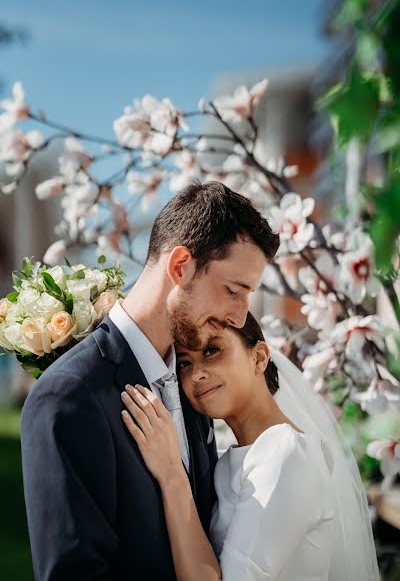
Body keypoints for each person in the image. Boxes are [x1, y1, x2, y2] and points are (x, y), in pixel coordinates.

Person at [20, 181, 280, 580]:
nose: (240, 317)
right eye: (233, 290)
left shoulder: (192, 384)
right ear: (180, 266)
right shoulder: (68, 396)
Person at [121, 312, 380, 581]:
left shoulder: (287, 454)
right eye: (184, 363)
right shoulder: (227, 461)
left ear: (258, 358)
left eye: (212, 350)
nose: (196, 374)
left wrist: (172, 474)